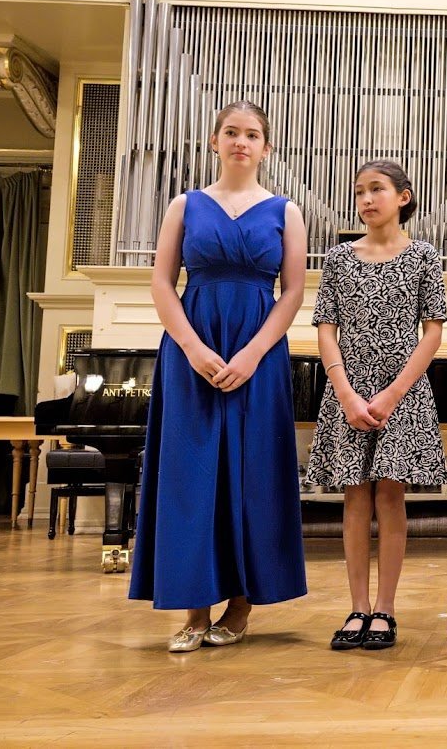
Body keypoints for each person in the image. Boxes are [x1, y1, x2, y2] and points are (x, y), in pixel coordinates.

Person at [129, 100, 308, 652]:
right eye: (231, 132)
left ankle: (242, 604)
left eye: (252, 134)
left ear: (266, 148)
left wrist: (252, 354)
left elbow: (293, 293)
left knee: (254, 474)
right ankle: (194, 609)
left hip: (260, 354)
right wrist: (192, 348)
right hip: (192, 350)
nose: (240, 141)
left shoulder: (286, 211)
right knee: (191, 475)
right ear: (214, 141)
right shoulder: (184, 205)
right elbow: (162, 283)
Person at [306, 160, 447, 651]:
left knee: (390, 497)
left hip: (401, 391)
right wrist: (345, 392)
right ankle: (357, 606)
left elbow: (432, 332)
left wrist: (392, 394)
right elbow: (326, 329)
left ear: (403, 197)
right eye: (360, 191)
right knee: (354, 497)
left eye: (377, 189)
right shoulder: (339, 259)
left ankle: (385, 608)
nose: (367, 199)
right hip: (348, 389)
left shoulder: (424, 256)